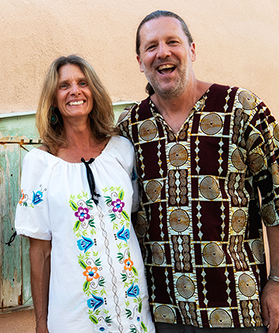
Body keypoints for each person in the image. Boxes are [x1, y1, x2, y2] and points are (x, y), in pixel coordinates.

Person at [117, 10, 279, 333]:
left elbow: (276, 200)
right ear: (139, 61)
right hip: (162, 313)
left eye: (172, 42)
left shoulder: (243, 109)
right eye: (151, 46)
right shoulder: (130, 128)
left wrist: (277, 281)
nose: (162, 52)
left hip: (238, 308)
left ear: (191, 50)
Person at [14, 55, 155, 332]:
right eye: (64, 85)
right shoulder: (40, 164)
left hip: (133, 310)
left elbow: (134, 222)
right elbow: (40, 251)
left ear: (94, 92)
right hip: (74, 316)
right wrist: (41, 323)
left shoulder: (122, 151)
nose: (75, 91)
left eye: (82, 83)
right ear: (53, 99)